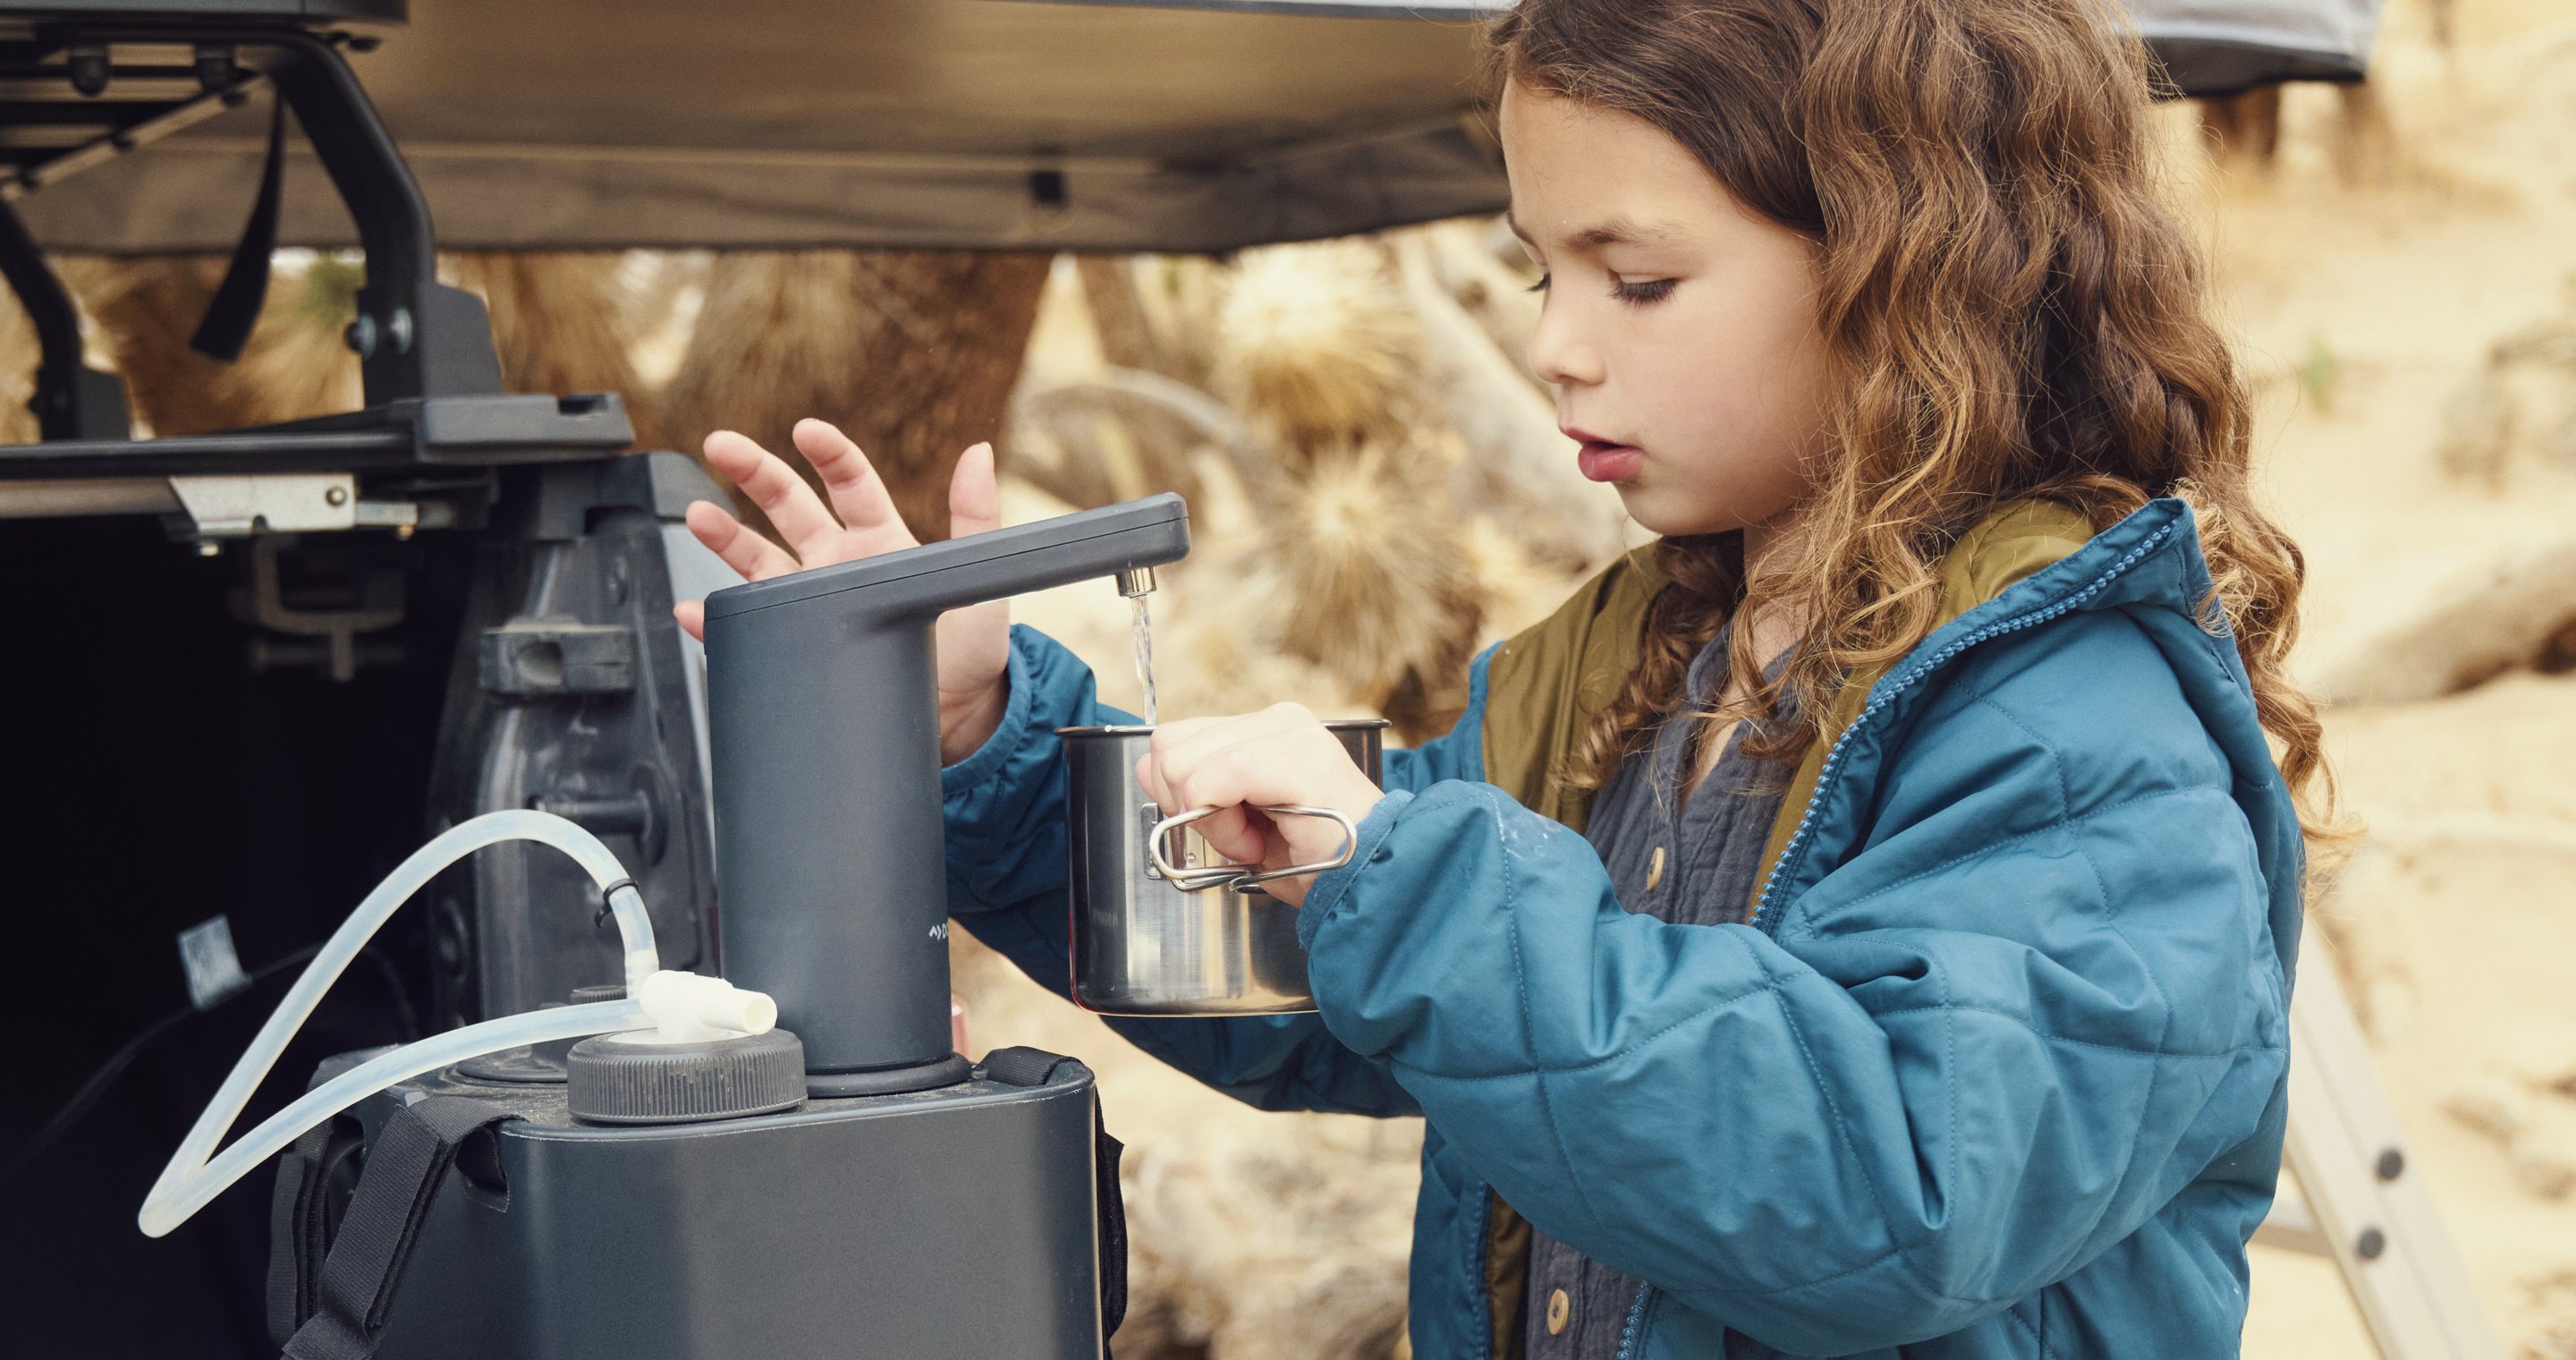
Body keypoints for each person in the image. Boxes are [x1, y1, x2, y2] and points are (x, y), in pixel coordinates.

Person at [674, 0, 2334, 1354]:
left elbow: (1892, 1187)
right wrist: (992, 744)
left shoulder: (2080, 725)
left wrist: (1400, 878)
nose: (1555, 344)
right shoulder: (1623, 667)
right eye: (1545, 270)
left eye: (1640, 279)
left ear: (1909, 266)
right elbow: (1339, 976)